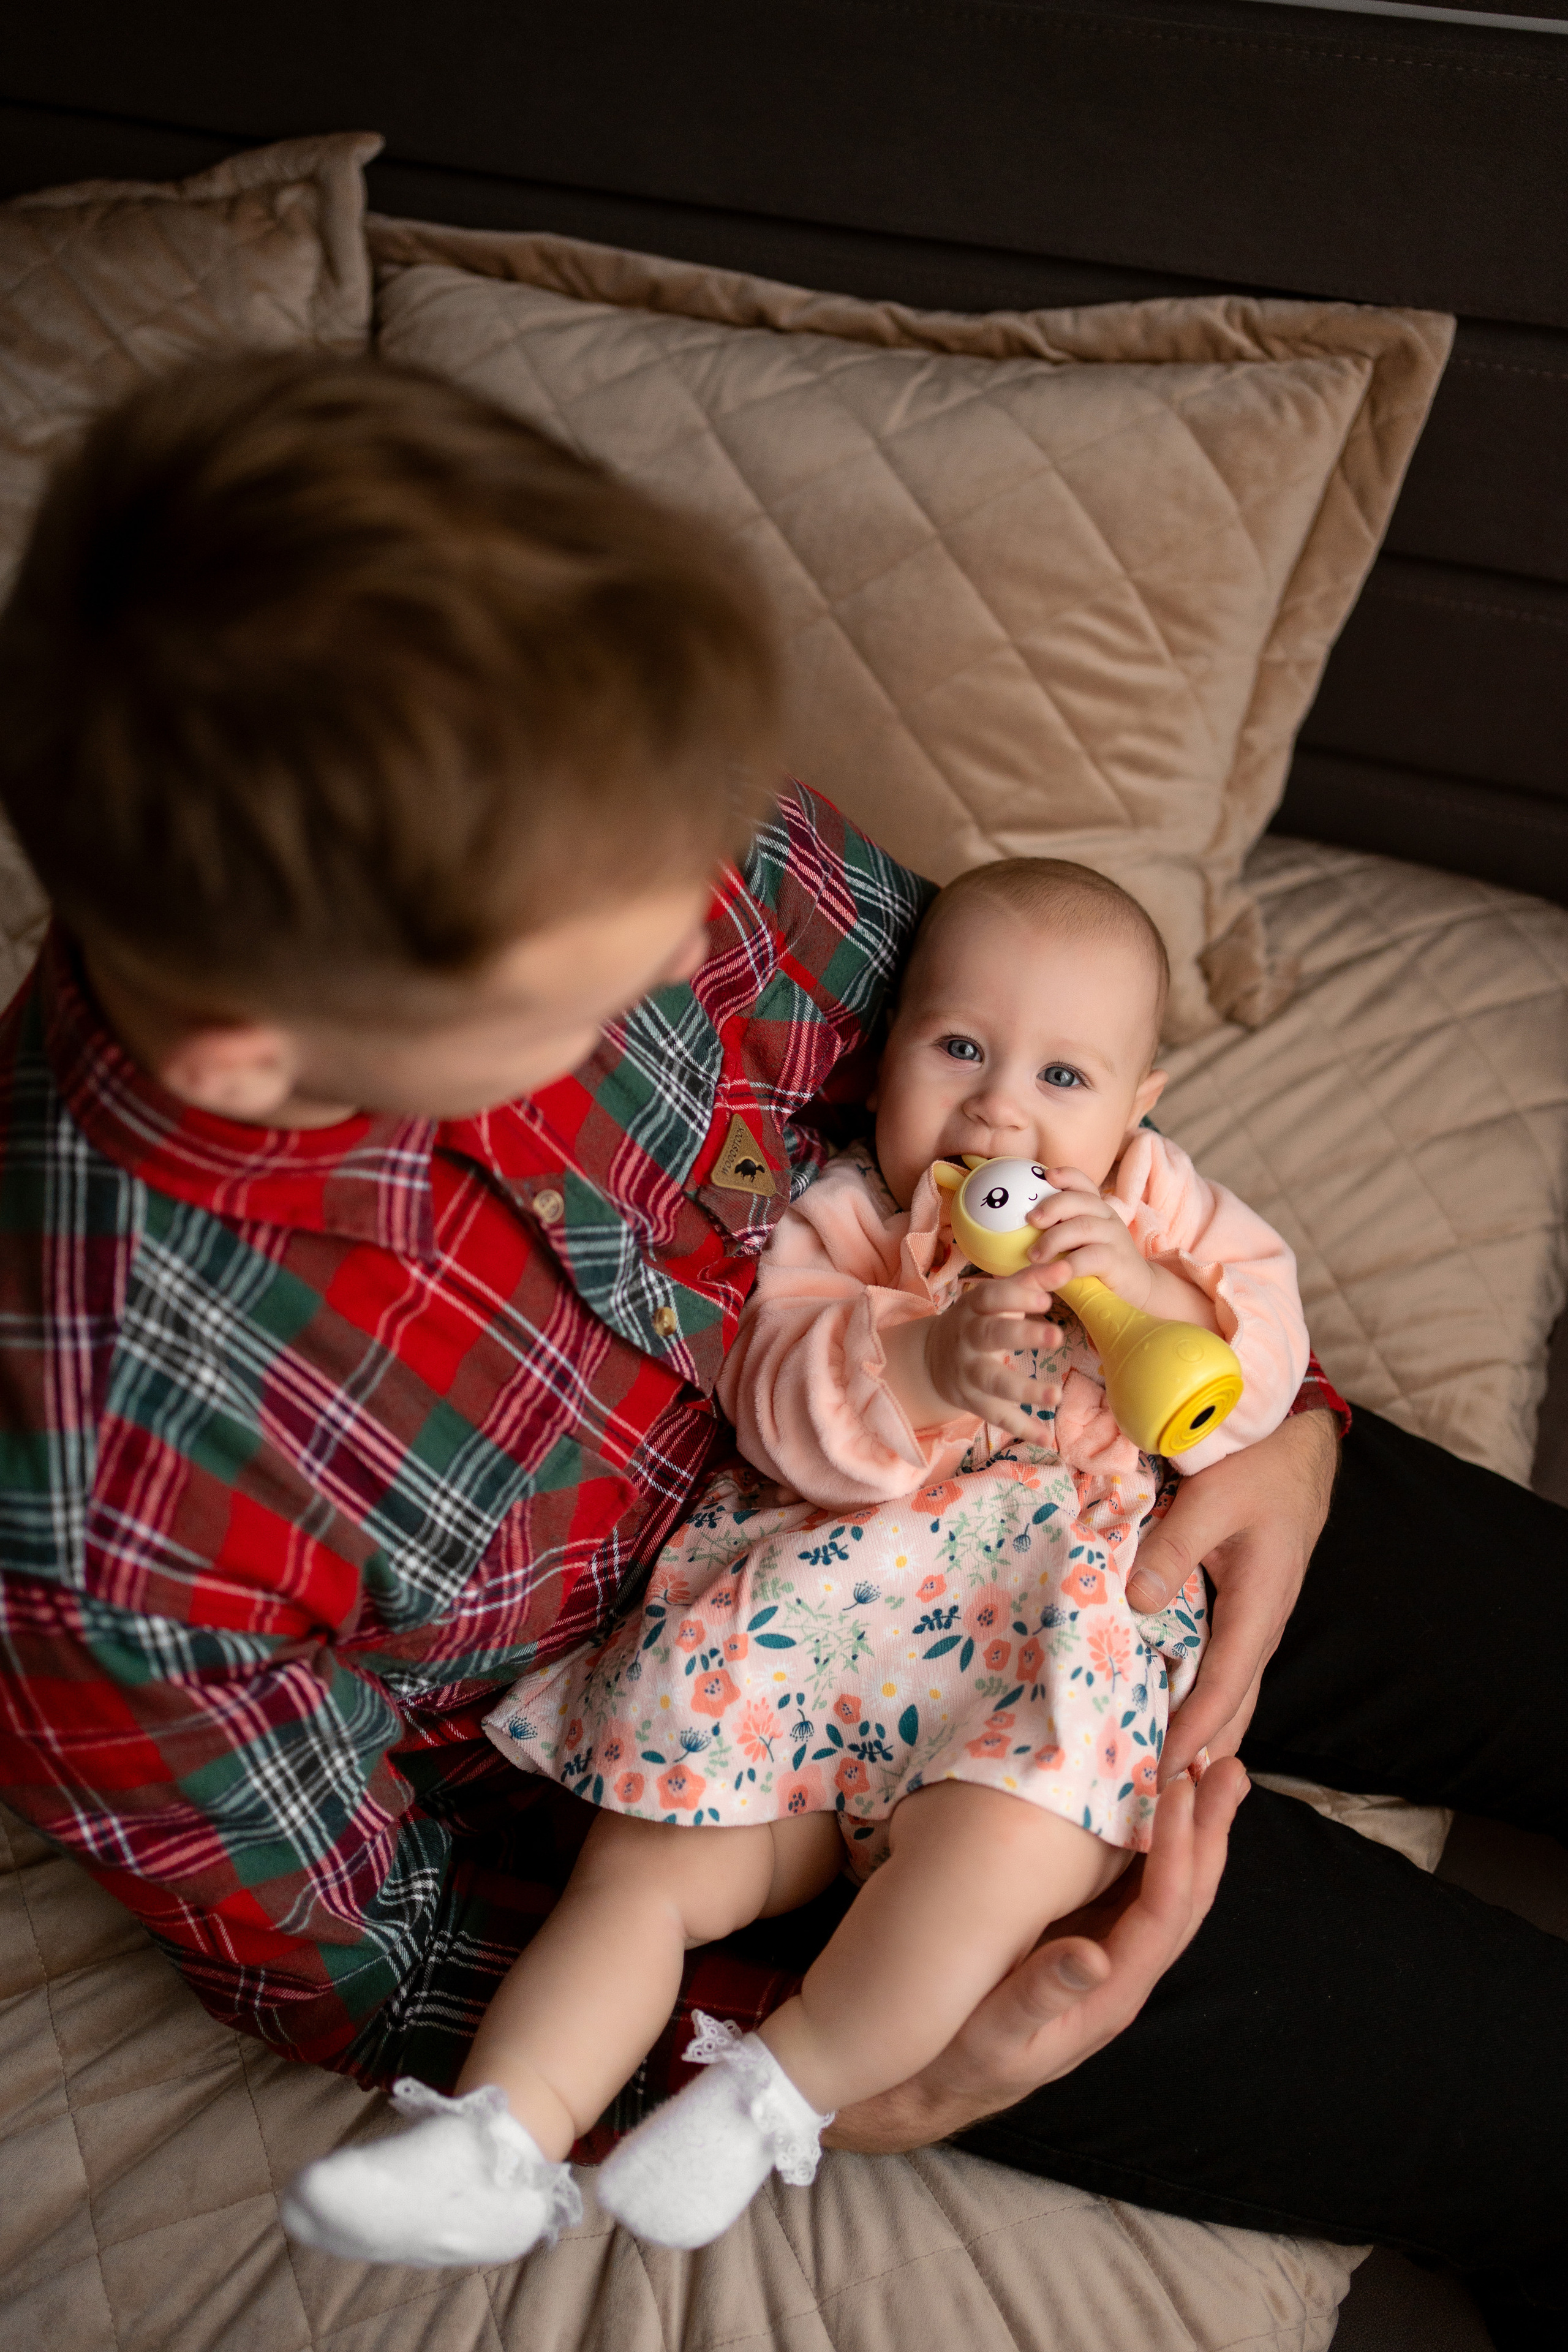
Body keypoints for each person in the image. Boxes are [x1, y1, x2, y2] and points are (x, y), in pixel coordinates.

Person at [0, 353, 1560, 2348]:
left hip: (1084, 1444)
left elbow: (1007, 1060)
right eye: (602, 963)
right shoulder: (92, 1510)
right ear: (260, 1055)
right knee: (1523, 2105)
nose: (693, 948)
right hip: (776, 1769)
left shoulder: (586, 764)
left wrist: (1293, 1424)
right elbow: (379, 1953)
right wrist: (871, 2070)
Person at [281, 854, 1308, 2265]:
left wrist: (1144, 1289)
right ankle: (494, 2137)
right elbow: (779, 1403)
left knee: (996, 1869)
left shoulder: (1156, 1209)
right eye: (958, 1049)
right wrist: (925, 1358)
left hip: (1028, 1641)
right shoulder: (842, 1218)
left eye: (1064, 1079)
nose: (1000, 1107)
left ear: (1139, 1109)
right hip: (809, 1630)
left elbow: (1253, 1378)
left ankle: (774, 2098)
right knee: (637, 1872)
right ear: (886, 1067)